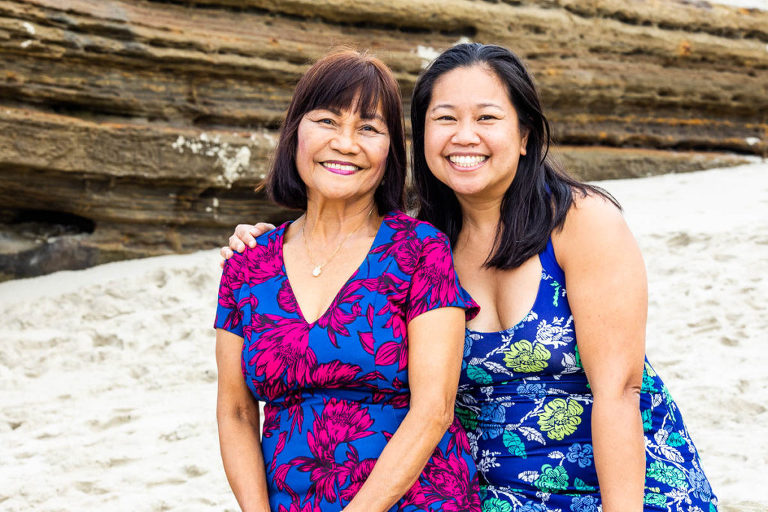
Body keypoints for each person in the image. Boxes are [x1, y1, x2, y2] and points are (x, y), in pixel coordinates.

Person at [223, 43, 717, 512]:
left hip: (624, 481)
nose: (464, 136)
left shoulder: (580, 222)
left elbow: (620, 391)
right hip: (494, 491)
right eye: (445, 119)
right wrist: (260, 242)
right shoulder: (425, 241)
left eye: (486, 117)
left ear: (524, 136)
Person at [213, 49, 481, 512]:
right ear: (295, 131)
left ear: (389, 153)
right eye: (327, 121)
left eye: (369, 128)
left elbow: (434, 408)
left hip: (416, 500)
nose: (346, 143)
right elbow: (236, 412)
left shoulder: (420, 250)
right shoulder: (248, 263)